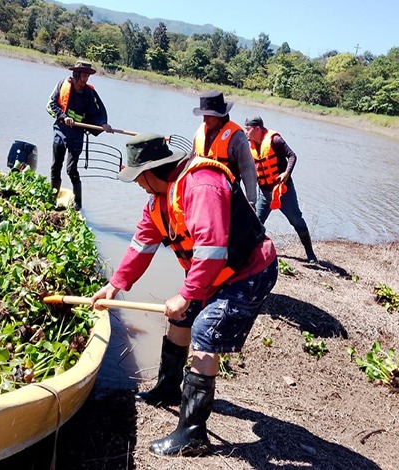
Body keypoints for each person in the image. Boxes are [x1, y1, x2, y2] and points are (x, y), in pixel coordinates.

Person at [90, 133, 279, 457]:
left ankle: (193, 434)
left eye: (137, 177)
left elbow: (213, 248)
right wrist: (116, 284)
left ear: (151, 171)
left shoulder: (202, 186)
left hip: (249, 271)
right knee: (180, 319)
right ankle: (167, 389)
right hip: (215, 273)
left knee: (205, 332)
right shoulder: (158, 200)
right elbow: (141, 245)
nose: (137, 184)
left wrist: (187, 293)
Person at [244, 115, 318, 263]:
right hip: (265, 193)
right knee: (256, 222)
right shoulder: (249, 144)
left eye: (248, 129)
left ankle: (310, 254)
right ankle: (249, 255)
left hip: (283, 191)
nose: (245, 132)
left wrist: (287, 172)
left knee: (297, 220)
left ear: (257, 128)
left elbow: (292, 156)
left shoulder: (275, 140)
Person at [46, 60, 112, 210]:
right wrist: (63, 117)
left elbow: (98, 112)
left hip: (77, 133)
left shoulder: (89, 93)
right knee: (56, 166)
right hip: (61, 131)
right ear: (76, 74)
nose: (85, 79)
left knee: (71, 169)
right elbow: (50, 105)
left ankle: (78, 204)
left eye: (87, 76)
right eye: (83, 76)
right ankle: (51, 200)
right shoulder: (63, 85)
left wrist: (103, 124)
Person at [192, 91, 257, 205]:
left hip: (225, 196)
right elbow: (191, 159)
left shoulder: (237, 138)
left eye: (208, 116)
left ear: (219, 115)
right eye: (204, 115)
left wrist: (251, 202)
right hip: (200, 193)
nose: (204, 120)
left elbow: (248, 171)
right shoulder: (200, 132)